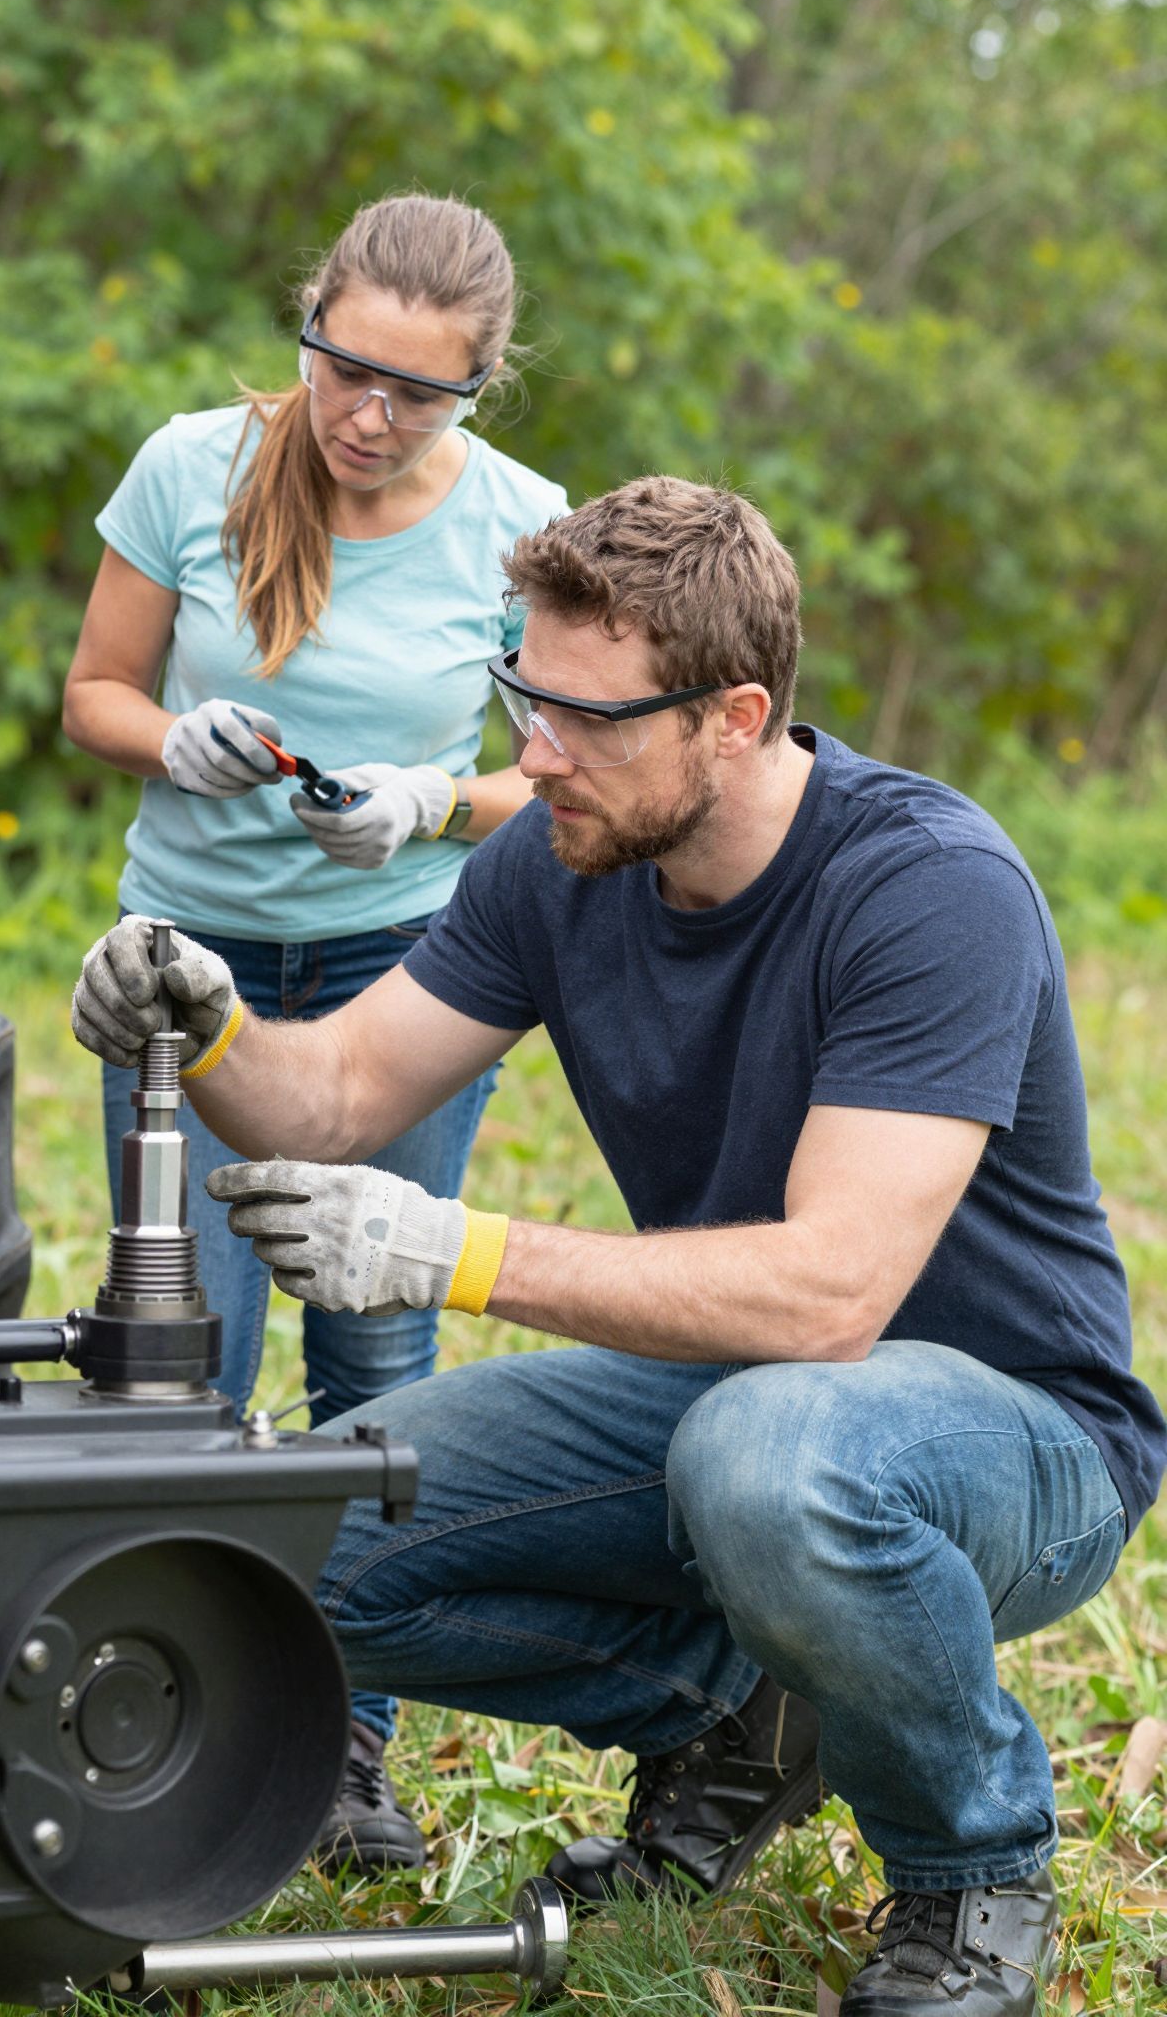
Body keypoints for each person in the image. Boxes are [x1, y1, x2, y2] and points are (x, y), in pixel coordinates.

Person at [71, 474, 1166, 2017]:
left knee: (775, 1463)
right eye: (522, 694)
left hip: (1014, 1435)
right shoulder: (562, 860)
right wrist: (207, 1014)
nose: (532, 754)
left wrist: (449, 1249)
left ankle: (971, 1867)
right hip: (736, 1394)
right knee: (291, 1542)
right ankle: (741, 1716)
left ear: (733, 715)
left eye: (586, 719)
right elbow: (333, 1097)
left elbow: (834, 1289)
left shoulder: (928, 888)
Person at [62, 192, 567, 1867]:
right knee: (184, 1360)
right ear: (311, 328)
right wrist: (174, 743)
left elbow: (549, 776)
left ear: (480, 389)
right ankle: (164, 1717)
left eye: (419, 393)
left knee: (374, 1349)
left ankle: (347, 1746)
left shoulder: (522, 524)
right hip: (189, 973)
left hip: (404, 976)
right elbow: (95, 695)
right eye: (345, 368)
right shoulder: (190, 464)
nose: (368, 415)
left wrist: (433, 801)